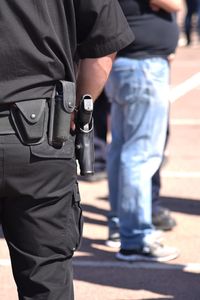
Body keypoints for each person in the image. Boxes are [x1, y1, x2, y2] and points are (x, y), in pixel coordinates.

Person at [0, 1, 134, 299]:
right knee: (47, 278)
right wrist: (76, 110)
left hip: (43, 136)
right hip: (42, 139)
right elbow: (103, 48)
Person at [105, 0, 181, 261]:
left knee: (122, 150)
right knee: (139, 155)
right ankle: (135, 237)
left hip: (127, 65)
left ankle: (120, 225)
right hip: (142, 68)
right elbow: (174, 3)